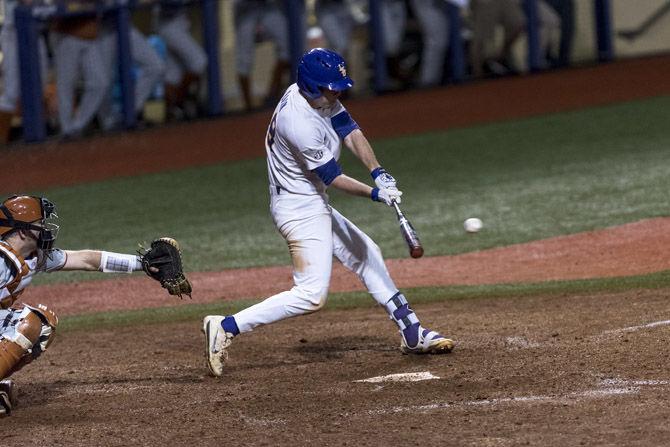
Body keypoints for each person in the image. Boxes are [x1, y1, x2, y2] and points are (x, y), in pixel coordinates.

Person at [202, 48, 454, 377]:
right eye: (330, 88)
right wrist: (375, 194)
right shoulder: (299, 121)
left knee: (366, 253)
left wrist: (377, 170)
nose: (336, 93)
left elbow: (349, 129)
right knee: (311, 295)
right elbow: (333, 177)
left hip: (309, 201)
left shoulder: (318, 96)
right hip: (298, 208)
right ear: (311, 86)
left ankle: (411, 332)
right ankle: (226, 325)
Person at [0, 195, 170, 416]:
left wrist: (144, 264)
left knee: (43, 325)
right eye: (40, 225)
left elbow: (86, 259)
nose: (45, 229)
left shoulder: (33, 257)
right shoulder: (2, 259)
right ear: (23, 231)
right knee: (28, 323)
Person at [50, 5, 109, 137]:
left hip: (90, 35)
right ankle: (66, 129)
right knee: (66, 84)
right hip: (67, 35)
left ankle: (77, 126)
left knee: (100, 83)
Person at [0, 0, 49, 143]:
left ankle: (36, 136)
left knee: (40, 86)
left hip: (36, 30)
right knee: (12, 92)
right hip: (13, 32)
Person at [154, 0, 208, 120]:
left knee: (173, 74)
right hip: (168, 23)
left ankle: (170, 113)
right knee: (199, 61)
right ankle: (179, 102)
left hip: (179, 21)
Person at [233, 0, 290, 111]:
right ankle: (248, 107)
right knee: (244, 60)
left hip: (267, 7)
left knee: (289, 47)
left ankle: (272, 96)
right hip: (244, 10)